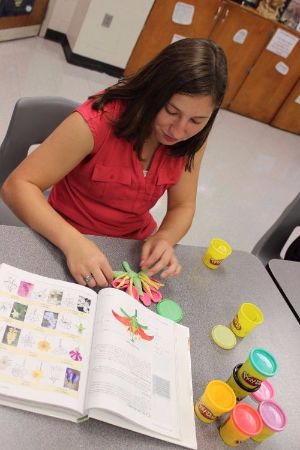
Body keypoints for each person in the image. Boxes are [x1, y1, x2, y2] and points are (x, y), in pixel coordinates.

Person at [1, 38, 228, 289]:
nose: (179, 130)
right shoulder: (98, 121)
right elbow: (17, 186)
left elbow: (183, 206)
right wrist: (72, 242)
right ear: (153, 92)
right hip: (67, 236)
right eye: (172, 112)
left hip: (129, 248)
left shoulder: (191, 141)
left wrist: (165, 238)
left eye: (196, 120)